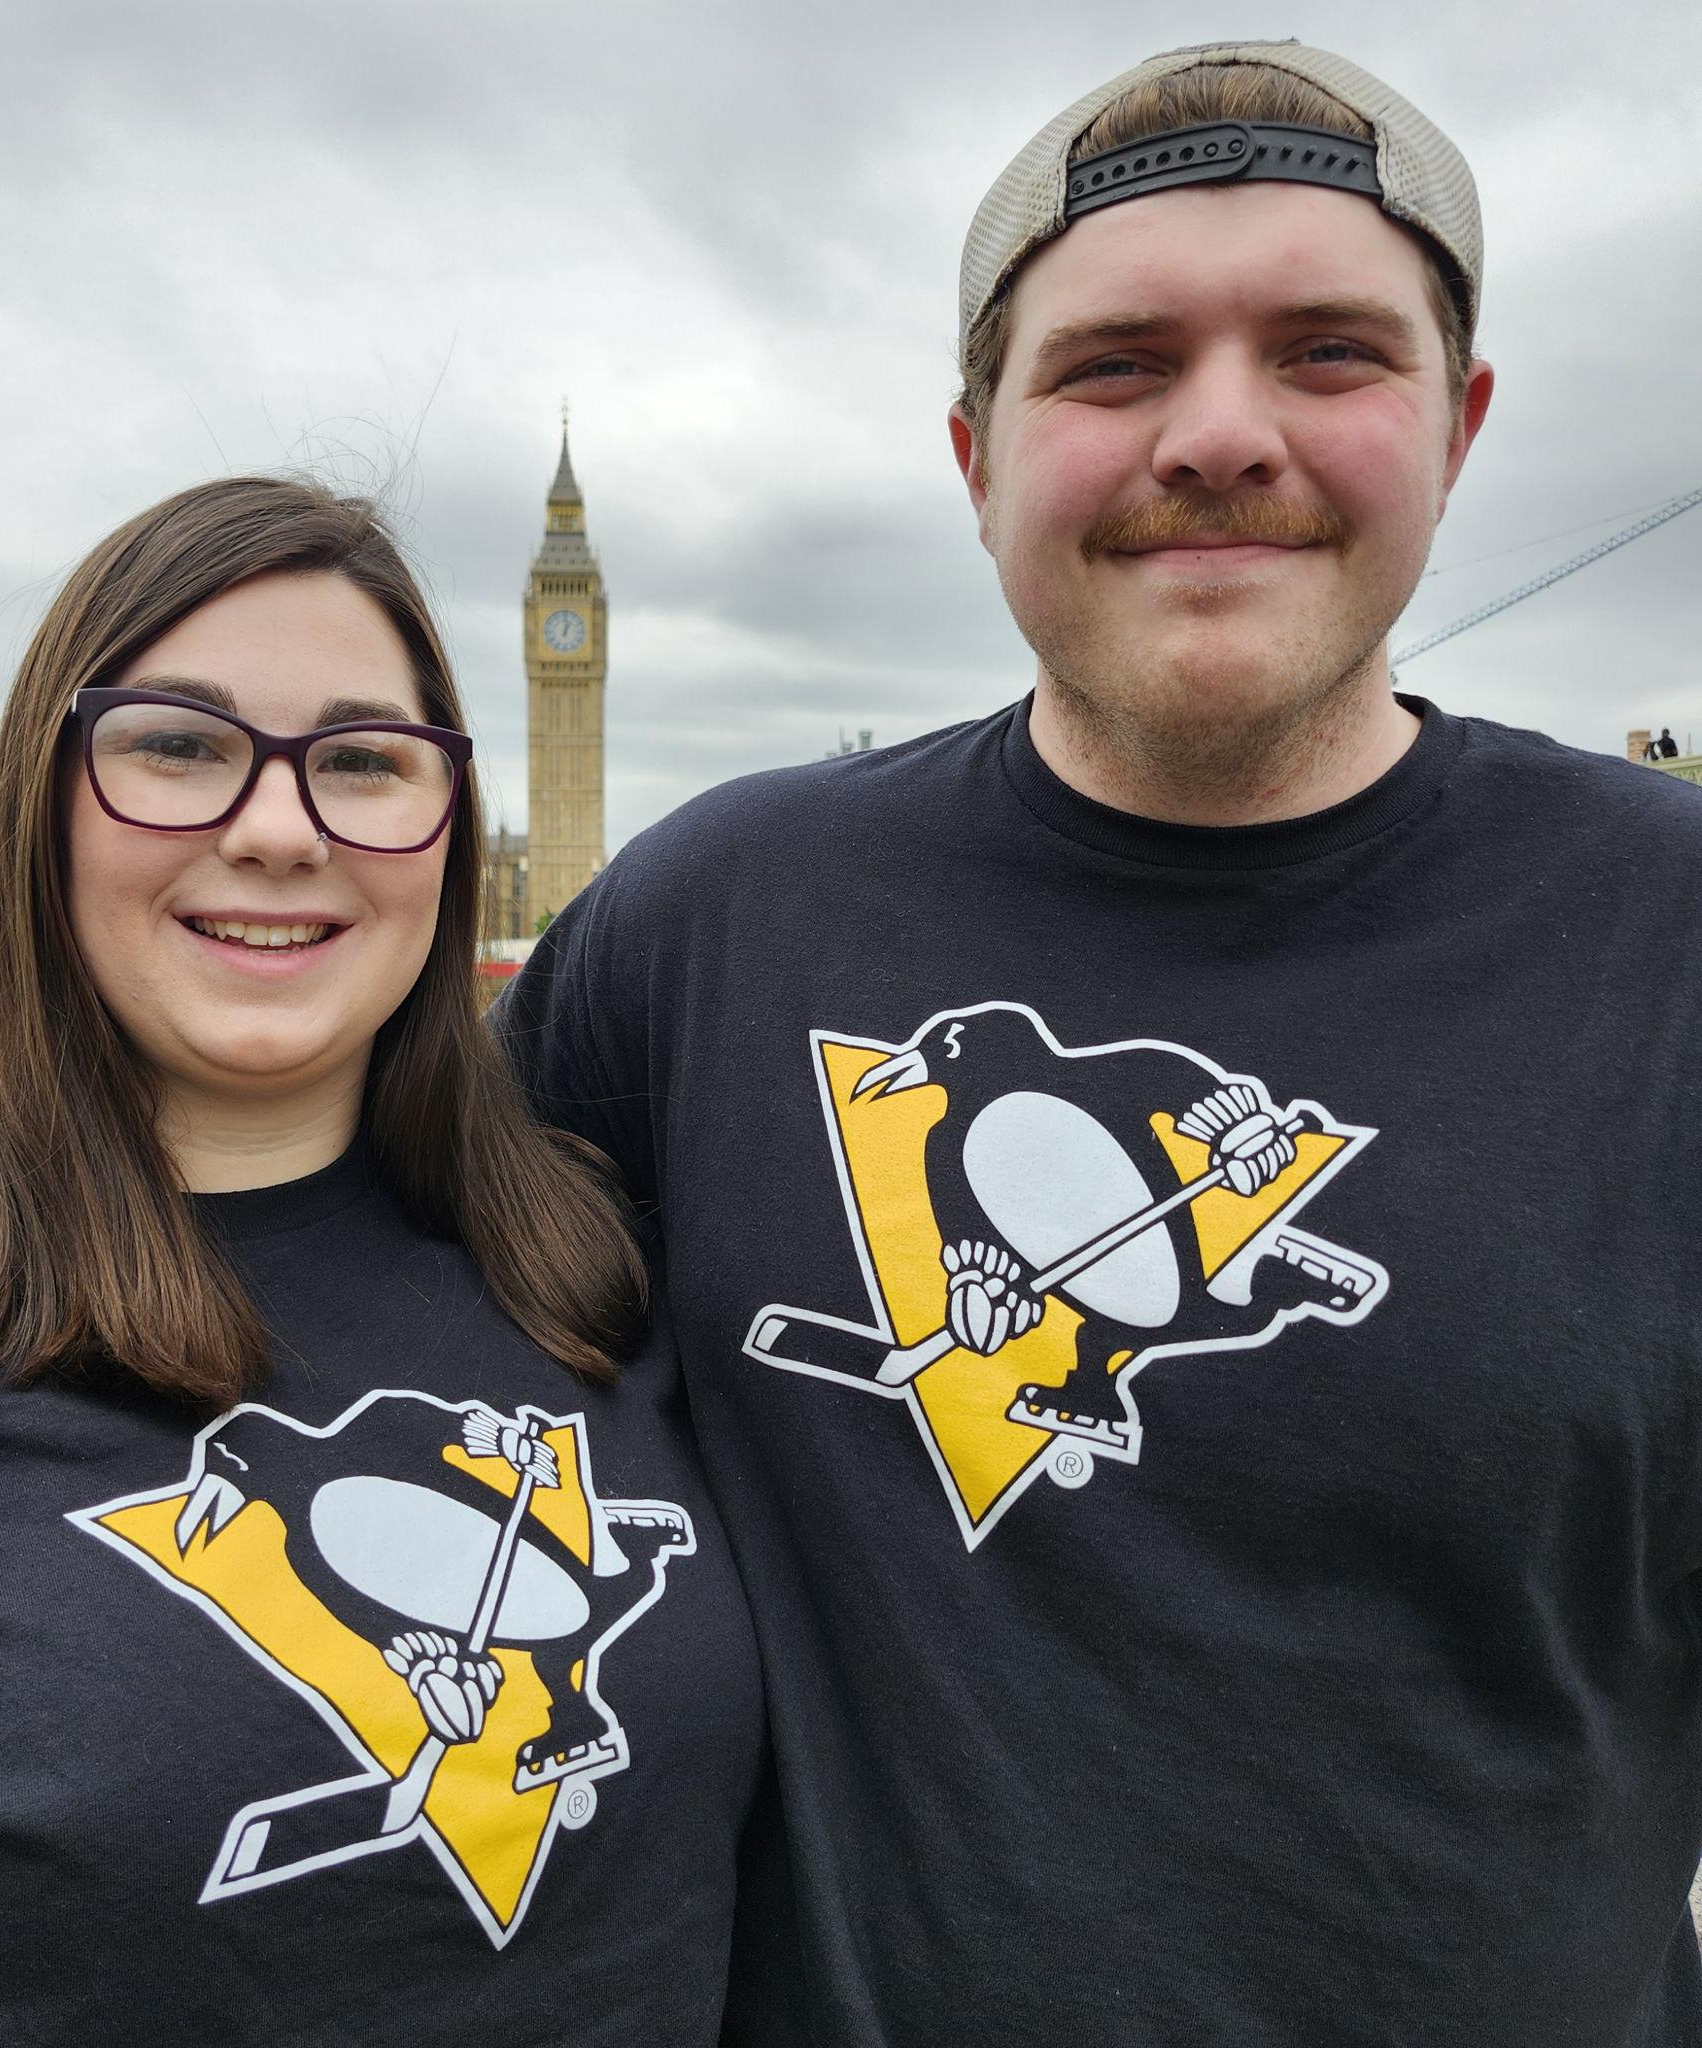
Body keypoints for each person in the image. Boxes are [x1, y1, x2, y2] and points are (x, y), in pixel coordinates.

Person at [498, 39, 1702, 2046]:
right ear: (972, 452)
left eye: (1328, 352)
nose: (1218, 435)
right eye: (1114, 365)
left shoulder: (1670, 944)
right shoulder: (696, 932)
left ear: (1461, 423)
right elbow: (287, 1325)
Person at [0, 478, 765, 2046]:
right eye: (177, 745)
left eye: (365, 761)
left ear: (448, 828)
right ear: (37, 801)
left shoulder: (600, 1268)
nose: (274, 827)